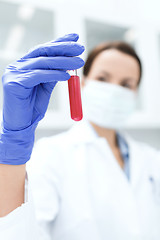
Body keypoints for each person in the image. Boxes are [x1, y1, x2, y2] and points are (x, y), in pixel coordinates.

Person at [0, 33, 160, 240]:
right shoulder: (51, 153)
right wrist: (11, 154)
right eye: (103, 79)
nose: (113, 90)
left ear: (135, 93)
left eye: (126, 84)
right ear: (83, 83)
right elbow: (21, 233)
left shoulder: (151, 159)